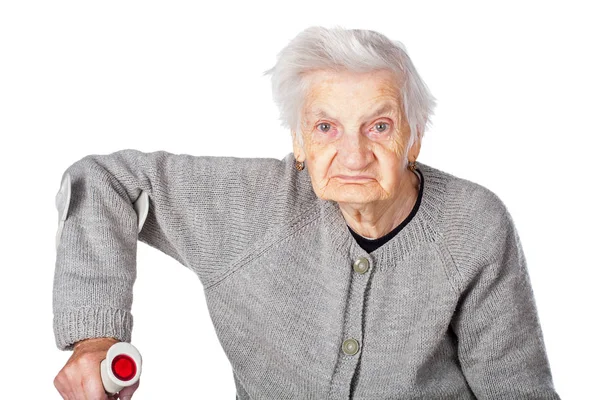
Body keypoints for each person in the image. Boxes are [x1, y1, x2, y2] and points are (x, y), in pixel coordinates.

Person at [52, 26, 561, 399]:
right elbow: (104, 181)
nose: (355, 154)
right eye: (326, 128)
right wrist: (96, 337)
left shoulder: (473, 227)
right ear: (298, 142)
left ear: (415, 138)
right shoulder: (253, 207)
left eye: (379, 126)